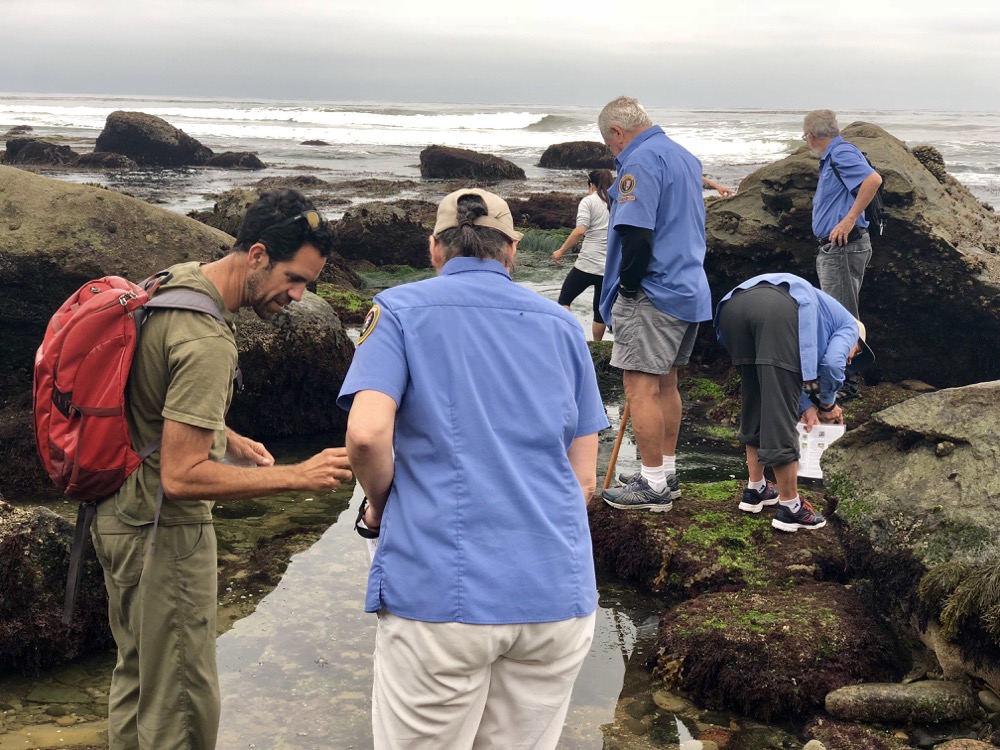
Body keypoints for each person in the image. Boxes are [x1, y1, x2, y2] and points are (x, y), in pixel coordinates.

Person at [338, 188, 609, 750]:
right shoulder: (562, 326)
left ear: (435, 249)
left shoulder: (397, 310)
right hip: (556, 592)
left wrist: (381, 505)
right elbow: (584, 480)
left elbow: (366, 434)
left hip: (441, 592)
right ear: (510, 249)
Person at [92, 189, 354, 750]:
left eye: (308, 283)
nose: (298, 295)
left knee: (138, 683)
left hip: (116, 516)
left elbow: (149, 393)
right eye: (293, 278)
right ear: (256, 254)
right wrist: (297, 474)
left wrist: (222, 433)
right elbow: (182, 477)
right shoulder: (207, 337)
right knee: (182, 705)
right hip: (163, 536)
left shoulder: (176, 282)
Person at [596, 95, 713, 512]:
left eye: (611, 146)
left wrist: (627, 290)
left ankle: (651, 486)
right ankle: (666, 472)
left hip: (653, 290)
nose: (615, 152)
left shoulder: (640, 161)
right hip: (688, 286)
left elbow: (637, 234)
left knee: (639, 386)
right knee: (666, 383)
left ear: (617, 131)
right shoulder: (684, 157)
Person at [714, 272, 874, 532]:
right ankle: (790, 507)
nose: (850, 361)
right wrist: (827, 404)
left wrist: (806, 406)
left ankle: (757, 490)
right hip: (777, 311)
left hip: (733, 307)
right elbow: (833, 363)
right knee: (779, 414)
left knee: (757, 400)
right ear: (856, 341)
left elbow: (777, 381)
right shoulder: (849, 326)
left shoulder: (822, 317)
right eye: (855, 353)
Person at [803, 109, 883, 399]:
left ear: (811, 135)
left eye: (805, 136)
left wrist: (849, 219)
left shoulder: (840, 154)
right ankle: (843, 380)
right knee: (842, 314)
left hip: (843, 247)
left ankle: (845, 385)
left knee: (842, 318)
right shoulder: (834, 157)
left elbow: (872, 180)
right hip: (837, 247)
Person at [551, 168, 615, 340]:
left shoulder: (589, 201)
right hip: (608, 268)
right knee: (599, 310)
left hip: (586, 265)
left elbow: (580, 231)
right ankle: (596, 345)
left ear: (591, 185)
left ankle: (567, 337)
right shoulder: (617, 201)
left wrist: (560, 251)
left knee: (564, 299)